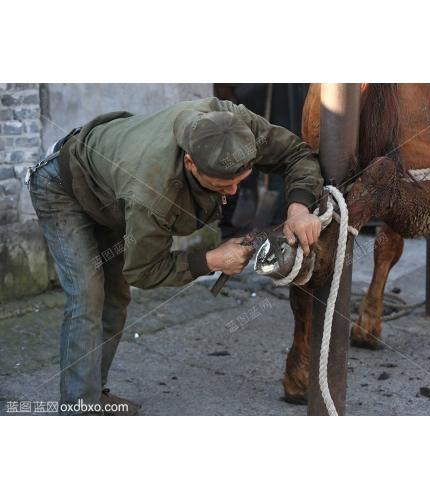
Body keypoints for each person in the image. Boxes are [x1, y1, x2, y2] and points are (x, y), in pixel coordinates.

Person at [27, 96, 324, 415]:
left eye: (240, 181)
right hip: (61, 186)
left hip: (110, 187)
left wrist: (299, 205)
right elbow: (144, 271)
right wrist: (211, 260)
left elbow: (296, 152)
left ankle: (91, 395)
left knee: (115, 295)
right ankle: (78, 409)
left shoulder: (233, 126)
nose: (233, 192)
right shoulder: (152, 191)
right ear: (190, 163)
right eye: (222, 185)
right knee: (88, 294)